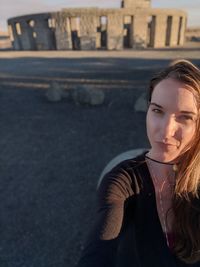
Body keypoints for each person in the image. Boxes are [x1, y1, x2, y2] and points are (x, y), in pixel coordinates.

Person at [76, 59, 200, 267]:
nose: (166, 131)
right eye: (157, 110)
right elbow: (99, 250)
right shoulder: (123, 180)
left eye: (184, 117)